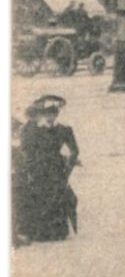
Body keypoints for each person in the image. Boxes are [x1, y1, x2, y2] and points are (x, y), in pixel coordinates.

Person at [17, 96, 78, 243]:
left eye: (53, 114)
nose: (50, 117)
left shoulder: (64, 130)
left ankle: (58, 232)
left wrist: (68, 168)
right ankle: (41, 232)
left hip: (56, 168)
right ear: (42, 115)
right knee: (40, 196)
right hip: (39, 168)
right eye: (46, 114)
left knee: (56, 197)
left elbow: (75, 150)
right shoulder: (35, 130)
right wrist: (30, 165)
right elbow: (25, 149)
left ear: (57, 114)